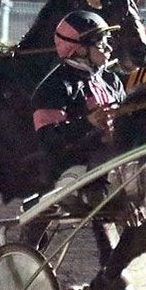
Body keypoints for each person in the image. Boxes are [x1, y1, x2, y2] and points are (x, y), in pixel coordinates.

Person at [31, 10, 125, 198]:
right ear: (79, 49)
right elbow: (50, 140)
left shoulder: (111, 80)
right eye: (101, 42)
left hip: (113, 156)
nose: (109, 48)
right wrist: (88, 122)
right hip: (71, 165)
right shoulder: (54, 87)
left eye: (108, 41)